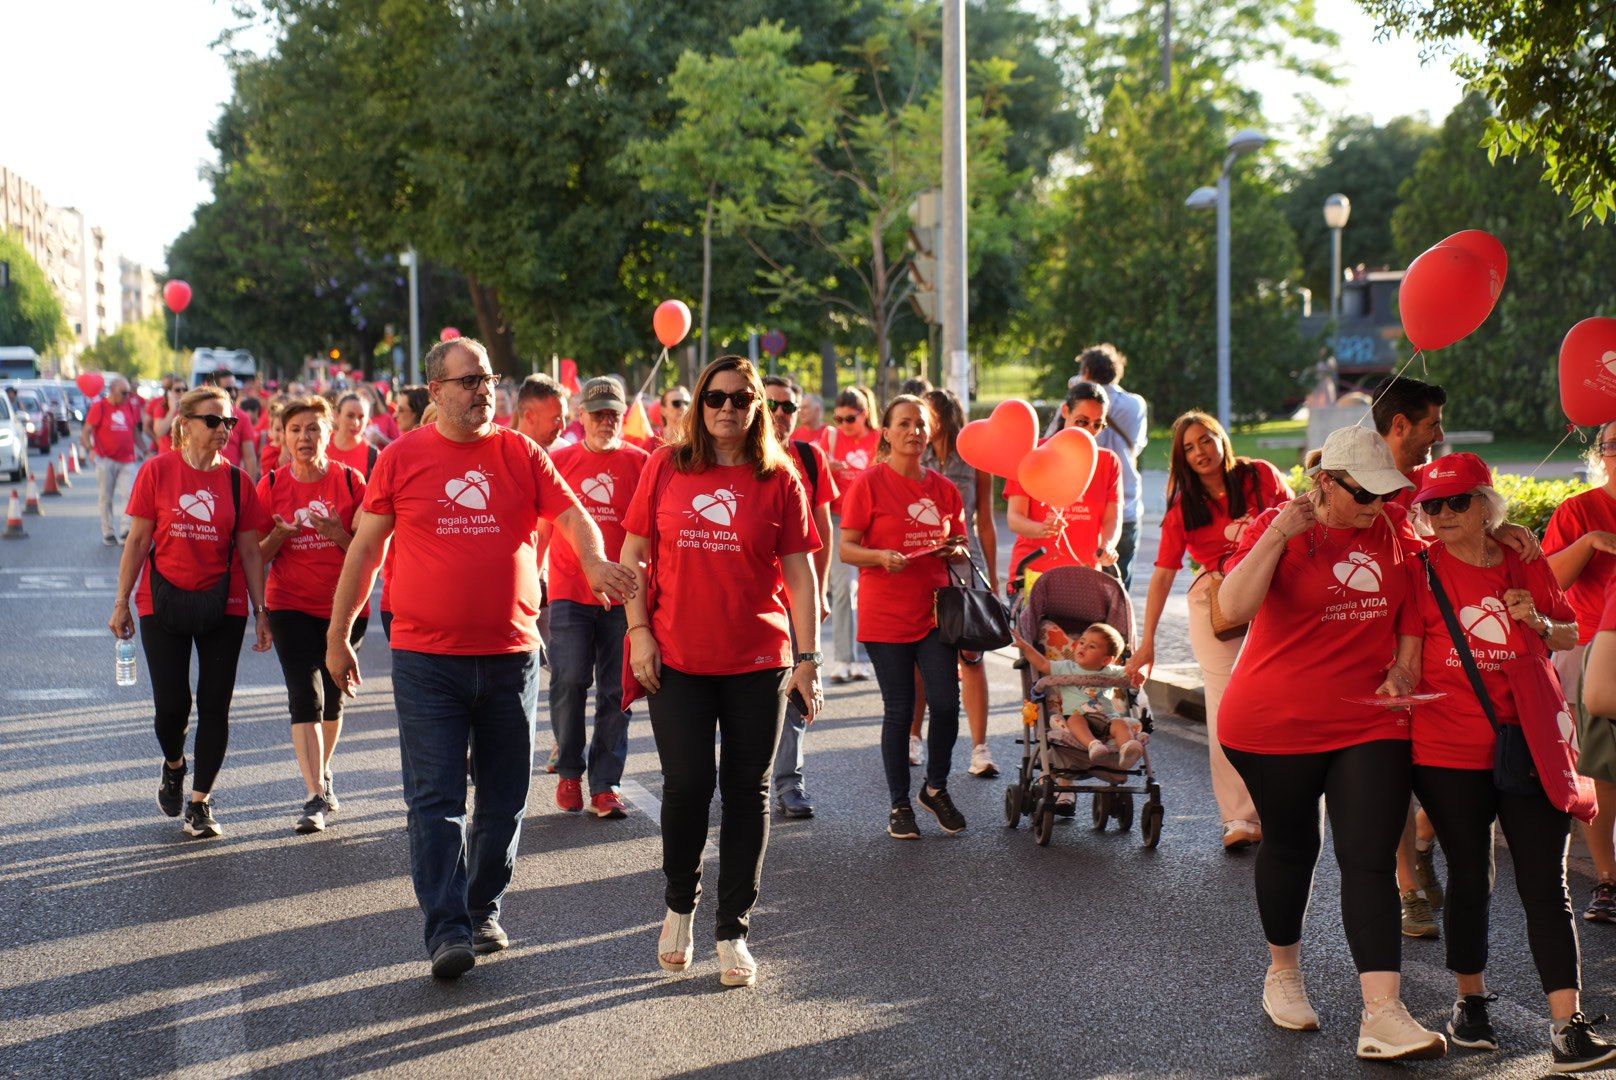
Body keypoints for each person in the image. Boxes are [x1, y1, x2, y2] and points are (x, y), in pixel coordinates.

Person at [324, 337, 635, 980]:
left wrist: (595, 561)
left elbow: (574, 518)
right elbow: (365, 551)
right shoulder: (401, 458)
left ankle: (481, 905)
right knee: (434, 799)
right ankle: (446, 928)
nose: (483, 390)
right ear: (436, 391)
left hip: (510, 657)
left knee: (504, 798)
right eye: (468, 381)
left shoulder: (521, 453)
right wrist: (339, 633)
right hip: (425, 659)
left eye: (489, 379)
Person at [1214, 426, 1443, 1060]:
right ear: (1324, 483)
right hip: (1275, 720)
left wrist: (1404, 670)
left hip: (1370, 716)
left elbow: (1413, 610)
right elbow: (1230, 609)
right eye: (1361, 493)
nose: (1374, 504)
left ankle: (1384, 1015)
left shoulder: (1393, 526)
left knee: (1368, 856)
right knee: (1294, 846)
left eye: (1383, 492)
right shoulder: (1282, 528)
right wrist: (1278, 534)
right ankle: (1283, 974)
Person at [1402, 454, 1616, 1069]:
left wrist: (1539, 621)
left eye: (1456, 502)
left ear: (1486, 506)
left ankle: (1568, 1026)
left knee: (1545, 881)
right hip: (1446, 749)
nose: (1443, 514)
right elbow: (1407, 654)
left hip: (1530, 741)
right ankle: (1470, 1006)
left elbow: (1569, 632)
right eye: (1432, 505)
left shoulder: (1523, 557)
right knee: (1471, 875)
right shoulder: (1419, 568)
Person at [620, 355, 822, 988]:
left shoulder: (780, 478)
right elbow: (634, 552)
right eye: (715, 397)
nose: (727, 408)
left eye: (740, 398)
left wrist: (809, 660)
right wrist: (638, 632)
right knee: (686, 786)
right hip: (677, 656)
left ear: (757, 406)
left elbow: (801, 576)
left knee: (747, 792)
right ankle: (679, 906)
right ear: (699, 404)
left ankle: (733, 930)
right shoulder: (665, 466)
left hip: (760, 660)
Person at [107, 386, 274, 840]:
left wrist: (261, 611)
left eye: (229, 422)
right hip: (161, 598)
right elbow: (138, 540)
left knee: (215, 703)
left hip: (224, 600)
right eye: (213, 421)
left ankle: (200, 803)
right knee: (171, 706)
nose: (224, 430)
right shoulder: (157, 471)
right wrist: (122, 601)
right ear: (186, 424)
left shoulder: (238, 482)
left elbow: (250, 552)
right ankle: (174, 764)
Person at [1129, 411, 1291, 851]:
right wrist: (1148, 642)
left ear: (1221, 439)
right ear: (1182, 458)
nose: (1200, 451)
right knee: (1226, 707)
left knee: (1280, 700)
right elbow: (1163, 574)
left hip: (1276, 595)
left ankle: (1282, 811)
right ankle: (1239, 817)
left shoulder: (1259, 476)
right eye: (1189, 447)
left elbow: (1299, 520)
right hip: (1216, 603)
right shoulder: (1184, 507)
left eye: (1205, 440)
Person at [838, 394, 970, 841]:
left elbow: (961, 545)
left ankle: (934, 788)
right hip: (886, 615)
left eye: (921, 424)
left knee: (946, 704)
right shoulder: (869, 484)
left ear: (931, 432)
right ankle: (899, 804)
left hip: (934, 613)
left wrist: (954, 549)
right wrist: (879, 556)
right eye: (904, 424)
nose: (914, 431)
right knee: (899, 710)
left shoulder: (945, 489)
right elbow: (847, 548)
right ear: (887, 433)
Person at [256, 397, 367, 834]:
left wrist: (338, 533)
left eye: (313, 429)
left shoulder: (351, 482)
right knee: (306, 696)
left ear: (329, 433)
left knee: (334, 699)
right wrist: (278, 537)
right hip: (290, 605)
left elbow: (369, 552)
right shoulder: (270, 485)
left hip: (344, 607)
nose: (304, 437)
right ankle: (315, 794)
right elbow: (255, 556)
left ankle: (323, 770)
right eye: (295, 429)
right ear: (284, 437)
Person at [545, 377, 650, 819]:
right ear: (581, 416)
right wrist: (532, 583)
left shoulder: (642, 463)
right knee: (569, 679)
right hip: (570, 590)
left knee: (616, 691)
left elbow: (652, 532)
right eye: (598, 414)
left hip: (624, 593)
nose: (606, 421)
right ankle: (570, 769)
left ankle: (605, 785)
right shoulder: (560, 460)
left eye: (613, 414)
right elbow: (542, 526)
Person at [1546, 420, 1616, 921]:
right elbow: (1549, 584)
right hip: (1590, 650)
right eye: (1614, 445)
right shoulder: (1579, 510)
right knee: (1597, 771)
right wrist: (1589, 541)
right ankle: (1608, 880)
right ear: (1600, 453)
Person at [913, 387, 1000, 778]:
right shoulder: (915, 457)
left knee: (972, 654)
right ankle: (914, 736)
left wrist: (992, 577)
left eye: (928, 417)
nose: (921, 426)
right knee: (922, 654)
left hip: (966, 560)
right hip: (923, 560)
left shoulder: (976, 459)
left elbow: (986, 521)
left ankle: (980, 748)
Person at [764, 375, 837, 819]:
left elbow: (823, 531)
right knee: (747, 696)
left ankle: (789, 783)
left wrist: (820, 590)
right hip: (751, 601)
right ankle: (742, 776)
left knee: (797, 689)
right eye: (772, 404)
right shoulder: (737, 456)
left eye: (788, 407)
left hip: (794, 597)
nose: (780, 414)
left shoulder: (810, 458)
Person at [1005, 382, 1124, 587]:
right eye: (1082, 421)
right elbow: (1014, 519)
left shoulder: (1108, 462)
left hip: (1084, 574)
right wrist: (1041, 529)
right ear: (1066, 411)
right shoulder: (1033, 454)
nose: (1089, 430)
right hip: (1034, 574)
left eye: (1097, 424)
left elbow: (1112, 519)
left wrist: (1107, 547)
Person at [819, 386, 881, 683]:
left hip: (873, 521)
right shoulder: (831, 437)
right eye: (839, 418)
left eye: (850, 419)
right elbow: (815, 478)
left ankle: (864, 657)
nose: (844, 424)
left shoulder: (879, 438)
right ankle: (845, 658)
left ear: (865, 414)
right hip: (839, 519)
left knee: (870, 591)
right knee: (844, 587)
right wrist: (827, 468)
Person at [1075, 345, 1148, 588]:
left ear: (1086, 371)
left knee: (1085, 588)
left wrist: (1079, 384)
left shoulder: (1079, 405)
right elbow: (1138, 445)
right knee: (1120, 586)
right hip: (1127, 503)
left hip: (1087, 511)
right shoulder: (1136, 404)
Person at [83, 376, 143, 546]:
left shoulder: (130, 406)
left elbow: (135, 432)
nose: (127, 396)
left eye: (129, 392)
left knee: (130, 495)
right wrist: (91, 449)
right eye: (124, 392)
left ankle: (126, 529)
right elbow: (86, 431)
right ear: (112, 391)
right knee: (106, 497)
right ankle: (108, 531)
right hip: (106, 459)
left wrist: (144, 450)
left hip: (127, 459)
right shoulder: (100, 407)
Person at [203, 372, 259, 477]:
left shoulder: (242, 417)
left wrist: (250, 485)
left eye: (236, 389)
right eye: (228, 389)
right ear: (212, 389)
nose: (233, 394)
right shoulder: (198, 416)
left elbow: (249, 457)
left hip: (229, 480)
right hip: (200, 478)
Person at [327, 393, 378, 477]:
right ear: (336, 415)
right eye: (350, 416)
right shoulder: (321, 443)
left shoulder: (373, 455)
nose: (356, 423)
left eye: (361, 417)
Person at [516, 374, 568, 452]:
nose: (563, 426)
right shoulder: (503, 453)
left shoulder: (564, 452)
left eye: (565, 417)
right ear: (530, 417)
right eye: (556, 419)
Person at [145, 375, 183, 455]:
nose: (181, 392)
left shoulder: (187, 405)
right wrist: (157, 440)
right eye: (164, 387)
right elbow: (146, 427)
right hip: (161, 449)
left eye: (184, 389)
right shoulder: (157, 402)